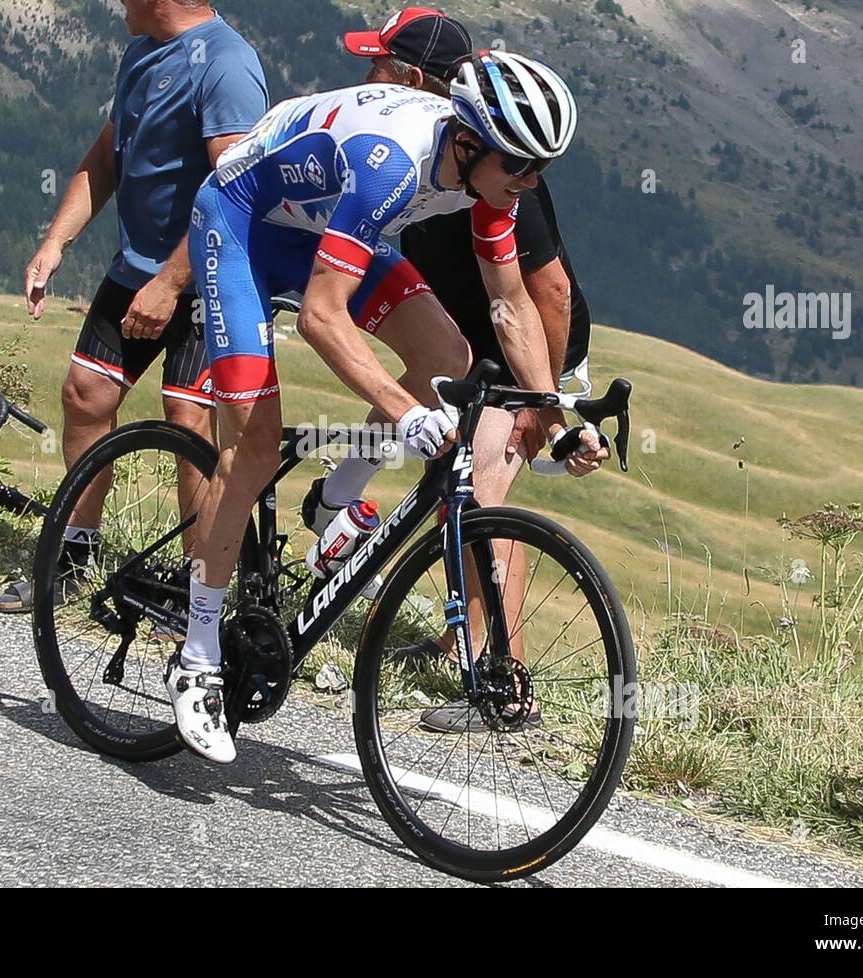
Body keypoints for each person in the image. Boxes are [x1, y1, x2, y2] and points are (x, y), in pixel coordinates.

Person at [170, 49, 589, 762]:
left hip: (318, 227)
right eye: (517, 165)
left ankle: (337, 493)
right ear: (468, 144)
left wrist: (555, 418)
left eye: (539, 169)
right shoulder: (391, 165)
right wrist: (404, 414)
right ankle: (197, 651)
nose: (527, 182)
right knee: (256, 445)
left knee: (447, 359)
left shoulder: (488, 190)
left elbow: (510, 304)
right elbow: (322, 320)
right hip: (241, 224)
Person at [342, 9, 608, 733]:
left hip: (529, 348)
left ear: (411, 77)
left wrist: (537, 402)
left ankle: (508, 686)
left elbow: (545, 293)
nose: (365, 75)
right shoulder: (410, 149)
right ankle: (458, 640)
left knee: (483, 503)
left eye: (378, 61)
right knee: (447, 495)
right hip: (468, 338)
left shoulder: (501, 170)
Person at [0, 0, 268, 613]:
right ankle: (74, 553)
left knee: (188, 421)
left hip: (210, 275)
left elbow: (234, 195)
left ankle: (201, 589)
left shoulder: (227, 67)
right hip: (138, 268)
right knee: (85, 394)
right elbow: (107, 155)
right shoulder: (142, 48)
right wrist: (56, 241)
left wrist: (170, 286)